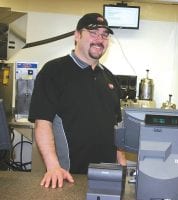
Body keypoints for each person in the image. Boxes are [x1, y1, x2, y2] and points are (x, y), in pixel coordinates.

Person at [28, 13, 126, 188]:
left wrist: (122, 165)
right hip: (68, 176)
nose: (100, 39)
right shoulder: (54, 71)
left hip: (106, 176)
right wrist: (53, 167)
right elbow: (42, 123)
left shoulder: (110, 78)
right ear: (77, 35)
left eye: (105, 35)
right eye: (93, 33)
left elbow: (116, 127)